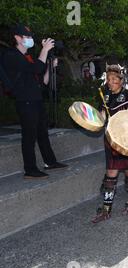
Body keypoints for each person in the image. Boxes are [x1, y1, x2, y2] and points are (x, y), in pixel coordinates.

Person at [1, 24, 67, 179]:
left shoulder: (27, 57)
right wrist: (44, 50)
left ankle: (50, 162)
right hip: (25, 101)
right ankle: (30, 169)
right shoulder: (11, 56)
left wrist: (50, 67)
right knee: (29, 135)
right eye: (27, 37)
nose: (30, 40)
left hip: (36, 99)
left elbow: (42, 81)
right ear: (17, 38)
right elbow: (37, 68)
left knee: (42, 133)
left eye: (31, 37)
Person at [92, 65, 128, 224]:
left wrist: (127, 125)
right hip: (110, 139)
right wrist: (93, 121)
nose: (110, 82)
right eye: (108, 79)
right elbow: (101, 117)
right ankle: (106, 209)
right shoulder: (105, 95)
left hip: (125, 140)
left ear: (121, 81)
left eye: (114, 79)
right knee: (112, 172)